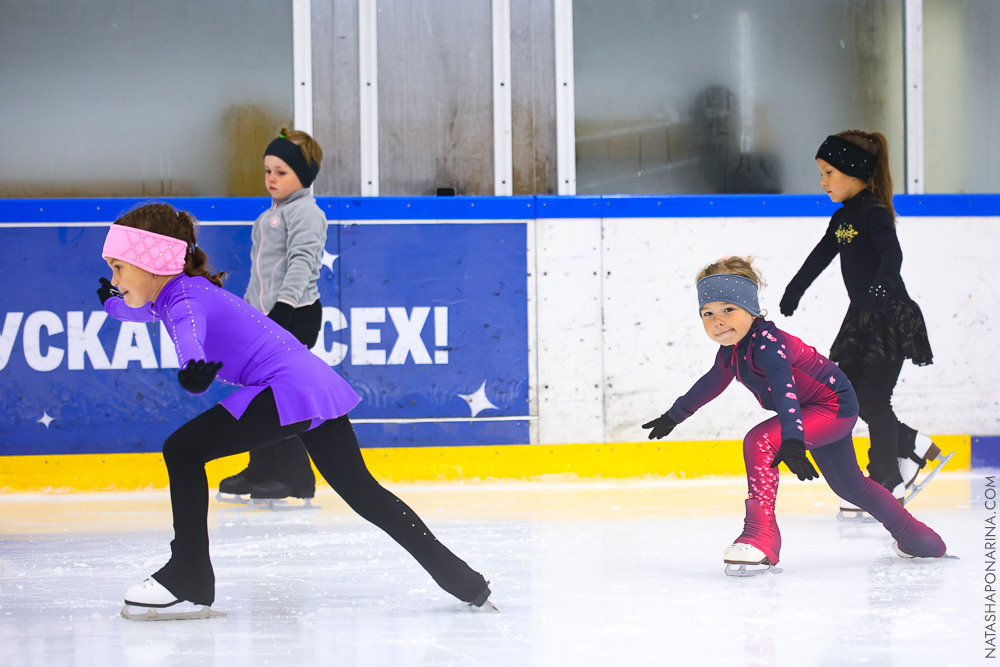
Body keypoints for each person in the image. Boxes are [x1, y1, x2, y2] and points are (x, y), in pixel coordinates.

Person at [97, 203, 493, 619]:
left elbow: (188, 334)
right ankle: (466, 582)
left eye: (119, 267)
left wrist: (193, 370)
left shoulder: (184, 300)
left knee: (182, 450)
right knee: (364, 493)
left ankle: (189, 577)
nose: (114, 279)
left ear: (151, 261)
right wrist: (110, 301)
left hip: (286, 388)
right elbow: (136, 309)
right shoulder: (174, 293)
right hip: (311, 384)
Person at [641, 256, 946, 575]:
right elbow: (710, 384)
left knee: (759, 441)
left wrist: (792, 438)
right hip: (816, 409)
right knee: (851, 487)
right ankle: (920, 539)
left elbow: (785, 390)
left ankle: (760, 536)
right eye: (708, 313)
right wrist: (673, 416)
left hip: (833, 407)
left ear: (750, 308)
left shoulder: (769, 345)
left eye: (728, 309)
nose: (718, 320)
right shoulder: (731, 352)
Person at [778, 131, 945, 510]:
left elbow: (892, 254)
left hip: (889, 317)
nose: (822, 182)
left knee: (873, 398)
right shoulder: (842, 217)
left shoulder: (874, 213)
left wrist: (882, 287)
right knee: (848, 397)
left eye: (829, 172)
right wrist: (795, 289)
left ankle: (886, 481)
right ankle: (910, 443)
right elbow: (821, 255)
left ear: (854, 173)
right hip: (862, 320)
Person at [218, 127, 327, 504]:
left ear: (305, 174)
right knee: (257, 394)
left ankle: (297, 478)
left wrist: (280, 311)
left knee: (280, 397)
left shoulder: (306, 214)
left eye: (281, 172)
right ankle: (263, 468)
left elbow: (301, 264)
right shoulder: (272, 215)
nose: (271, 179)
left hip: (294, 315)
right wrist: (249, 314)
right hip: (266, 316)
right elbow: (261, 273)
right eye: (268, 171)